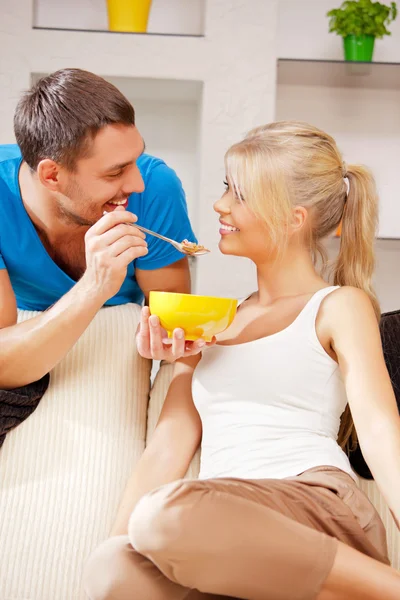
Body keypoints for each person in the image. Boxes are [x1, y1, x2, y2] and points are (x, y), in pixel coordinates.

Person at [84, 120, 400, 600]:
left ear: (293, 218)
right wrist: (117, 544)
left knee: (164, 516)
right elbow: (167, 447)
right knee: (112, 565)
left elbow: (379, 431)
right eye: (226, 187)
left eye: (241, 193)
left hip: (314, 504)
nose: (221, 205)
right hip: (229, 529)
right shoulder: (209, 321)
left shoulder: (338, 305)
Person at [0, 68, 206, 390]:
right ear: (52, 175)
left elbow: (174, 330)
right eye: (115, 173)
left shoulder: (155, 187)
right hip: (22, 347)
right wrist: (95, 285)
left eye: (136, 160)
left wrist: (168, 341)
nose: (137, 184)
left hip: (114, 344)